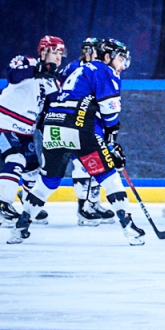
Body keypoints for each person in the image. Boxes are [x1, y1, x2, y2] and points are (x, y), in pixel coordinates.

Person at [8, 38, 145, 246]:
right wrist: (110, 142)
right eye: (120, 59)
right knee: (109, 176)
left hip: (53, 127)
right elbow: (109, 113)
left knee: (47, 181)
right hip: (78, 127)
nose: (123, 65)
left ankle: (21, 225)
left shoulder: (77, 70)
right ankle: (129, 228)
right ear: (107, 57)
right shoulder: (105, 70)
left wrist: (107, 143)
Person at [0, 35, 64, 228]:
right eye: (54, 52)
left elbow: (49, 112)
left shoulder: (54, 83)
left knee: (33, 171)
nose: (58, 57)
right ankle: (4, 207)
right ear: (43, 51)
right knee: (16, 159)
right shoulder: (26, 61)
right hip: (2, 124)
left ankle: (30, 205)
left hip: (24, 130)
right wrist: (39, 69)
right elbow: (12, 75)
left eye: (61, 53)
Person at [57, 37, 116, 226]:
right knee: (82, 164)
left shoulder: (98, 69)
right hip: (74, 122)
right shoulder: (75, 68)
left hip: (91, 122)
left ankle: (93, 203)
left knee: (96, 163)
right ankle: (83, 208)